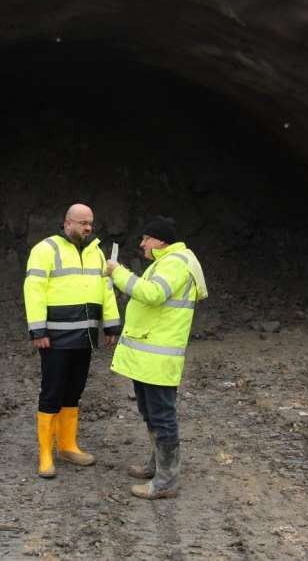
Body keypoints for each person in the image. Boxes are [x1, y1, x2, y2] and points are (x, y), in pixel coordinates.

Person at [106, 217, 208, 499]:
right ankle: (158, 467)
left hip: (158, 357)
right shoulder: (165, 262)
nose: (142, 244)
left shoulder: (175, 263)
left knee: (162, 416)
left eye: (146, 238)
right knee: (151, 412)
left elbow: (153, 294)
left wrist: (118, 273)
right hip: (149, 356)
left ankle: (166, 482)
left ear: (160, 240)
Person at [24, 203, 121, 479]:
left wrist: (111, 324)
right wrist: (38, 330)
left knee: (73, 393)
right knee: (52, 392)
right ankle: (46, 454)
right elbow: (33, 289)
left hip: (84, 337)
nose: (88, 227)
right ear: (67, 223)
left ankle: (67, 446)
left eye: (90, 223)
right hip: (55, 338)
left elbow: (106, 289)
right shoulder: (46, 249)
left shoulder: (96, 253)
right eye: (82, 222)